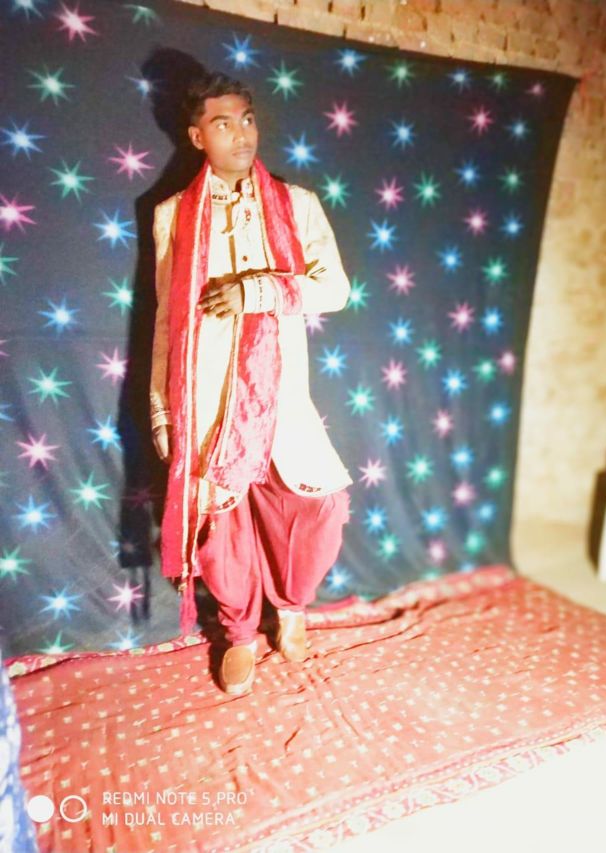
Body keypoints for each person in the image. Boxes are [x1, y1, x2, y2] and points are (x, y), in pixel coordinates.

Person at [150, 71, 352, 695]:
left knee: (318, 509)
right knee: (223, 529)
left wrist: (257, 291)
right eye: (223, 124)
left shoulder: (297, 204)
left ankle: (290, 607)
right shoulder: (172, 216)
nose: (241, 135)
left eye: (247, 119)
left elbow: (335, 290)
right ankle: (239, 634)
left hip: (283, 396)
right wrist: (162, 410)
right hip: (208, 399)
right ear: (197, 137)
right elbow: (165, 321)